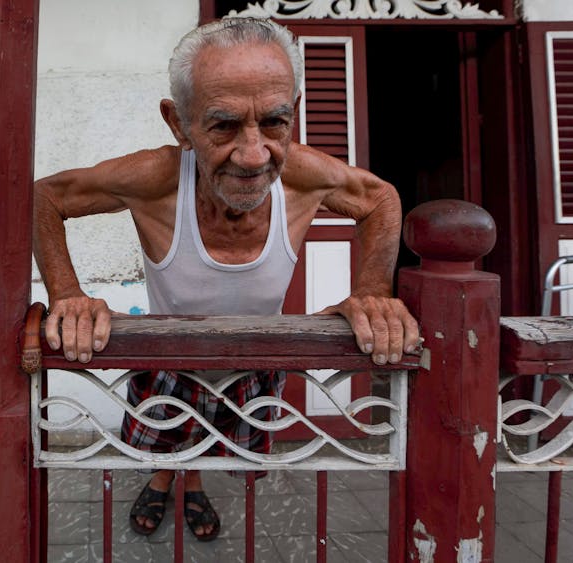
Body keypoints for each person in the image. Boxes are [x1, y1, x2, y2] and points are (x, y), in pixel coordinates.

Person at [33, 17, 419, 542]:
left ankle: (192, 486)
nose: (254, 155)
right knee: (169, 439)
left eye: (274, 123)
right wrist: (67, 294)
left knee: (211, 450)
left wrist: (373, 290)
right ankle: (165, 481)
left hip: (253, 363)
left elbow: (380, 198)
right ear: (179, 124)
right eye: (223, 125)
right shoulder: (155, 179)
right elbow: (46, 197)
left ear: (294, 113)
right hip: (170, 359)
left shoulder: (306, 175)